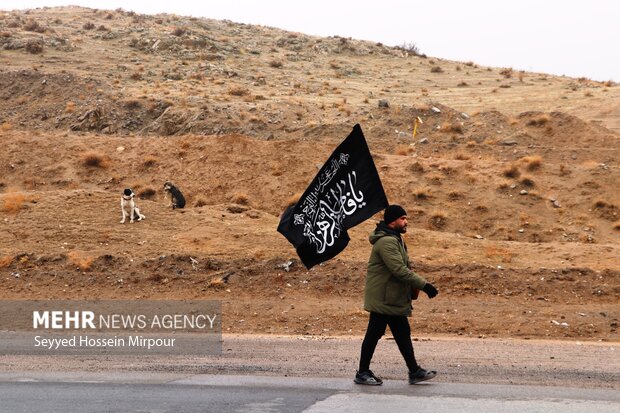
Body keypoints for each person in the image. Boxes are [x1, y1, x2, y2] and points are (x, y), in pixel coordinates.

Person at [354, 204, 439, 385]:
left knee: (402, 334)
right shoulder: (387, 242)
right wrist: (425, 286)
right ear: (392, 221)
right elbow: (399, 270)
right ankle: (362, 372)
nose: (406, 222)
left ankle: (414, 371)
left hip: (392, 297)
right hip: (383, 298)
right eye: (403, 218)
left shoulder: (394, 238)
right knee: (374, 334)